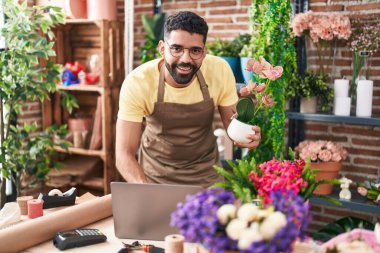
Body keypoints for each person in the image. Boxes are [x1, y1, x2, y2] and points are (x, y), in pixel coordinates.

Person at [116, 11, 261, 187]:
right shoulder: (138, 82)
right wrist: (147, 190)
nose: (186, 59)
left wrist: (246, 137)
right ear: (162, 48)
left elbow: (232, 127)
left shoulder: (219, 70)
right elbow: (124, 154)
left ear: (204, 52)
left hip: (206, 177)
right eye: (176, 49)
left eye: (195, 51)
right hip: (155, 178)